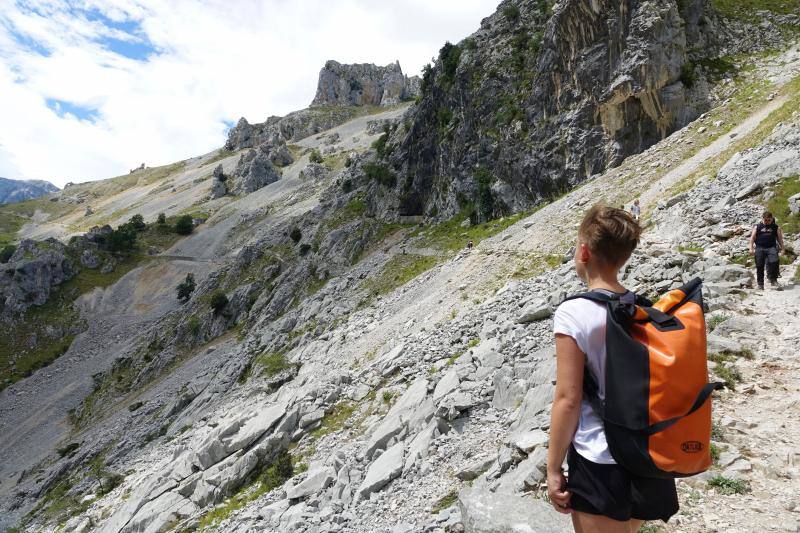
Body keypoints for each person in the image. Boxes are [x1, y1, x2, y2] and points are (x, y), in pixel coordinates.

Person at [547, 204, 678, 532]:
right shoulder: (642, 308)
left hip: (598, 459)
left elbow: (568, 399)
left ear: (583, 251)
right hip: (645, 453)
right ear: (624, 256)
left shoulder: (573, 313)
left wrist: (552, 469)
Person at [748, 211, 784, 290]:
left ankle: (773, 280)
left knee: (774, 262)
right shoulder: (757, 227)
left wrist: (782, 249)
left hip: (771, 247)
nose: (767, 222)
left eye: (769, 220)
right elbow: (752, 238)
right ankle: (760, 284)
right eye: (765, 220)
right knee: (759, 266)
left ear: (772, 219)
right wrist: (751, 248)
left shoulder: (776, 227)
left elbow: (780, 239)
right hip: (760, 248)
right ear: (762, 219)